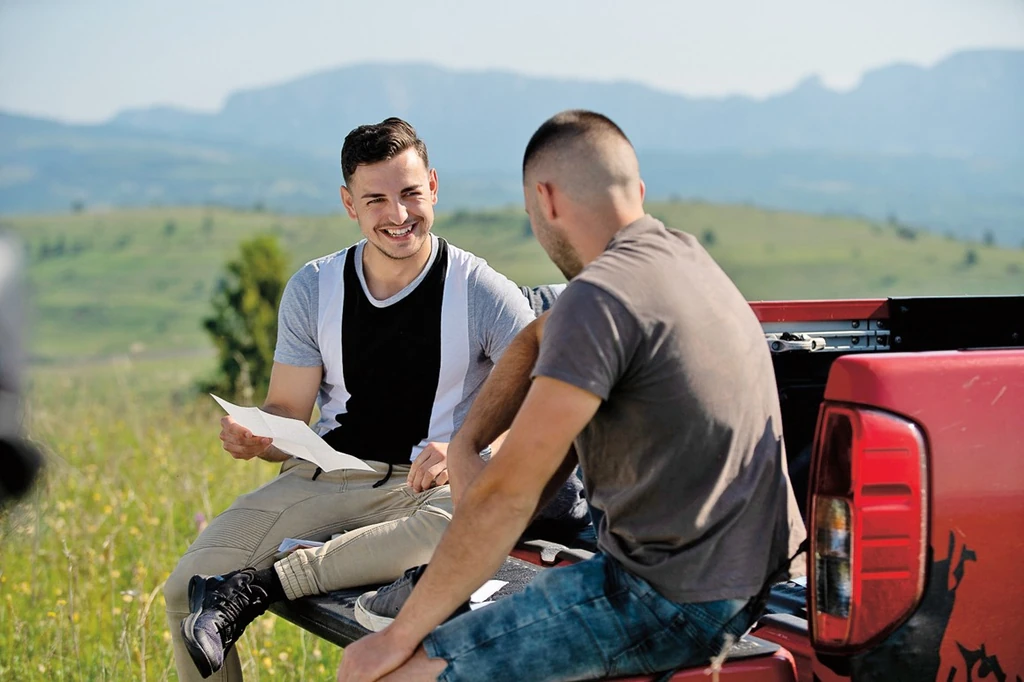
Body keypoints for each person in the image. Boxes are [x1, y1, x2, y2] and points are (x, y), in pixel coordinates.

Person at [337, 110, 807, 682]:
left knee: (382, 672)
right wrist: (466, 444)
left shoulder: (600, 298)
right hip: (754, 579)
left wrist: (400, 636)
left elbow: (507, 496)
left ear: (546, 200)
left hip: (669, 598)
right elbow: (541, 334)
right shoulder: (683, 259)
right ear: (635, 191)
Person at [165, 117, 539, 681]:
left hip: (430, 492)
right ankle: (243, 584)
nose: (398, 215)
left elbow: (546, 407)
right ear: (349, 204)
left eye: (411, 193)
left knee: (463, 526)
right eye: (376, 199)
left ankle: (266, 585)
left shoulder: (482, 290)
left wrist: (467, 446)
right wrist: (257, 437)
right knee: (183, 588)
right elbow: (287, 413)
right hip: (330, 481)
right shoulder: (314, 288)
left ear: (433, 187)